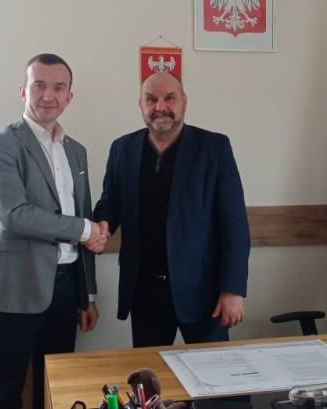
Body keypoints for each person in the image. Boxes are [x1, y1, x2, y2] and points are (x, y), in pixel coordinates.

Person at [0, 53, 109, 409]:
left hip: (66, 287)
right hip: (16, 285)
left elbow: (83, 214)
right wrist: (84, 229)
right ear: (24, 90)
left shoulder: (76, 151)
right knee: (4, 393)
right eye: (39, 85)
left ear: (69, 97)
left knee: (55, 389)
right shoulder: (0, 144)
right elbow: (15, 215)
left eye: (58, 88)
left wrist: (88, 295)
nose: (48, 96)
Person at [93, 71, 250, 347]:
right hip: (144, 290)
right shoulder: (122, 149)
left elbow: (234, 224)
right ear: (140, 104)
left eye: (169, 98)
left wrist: (233, 289)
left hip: (203, 291)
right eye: (151, 99)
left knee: (213, 371)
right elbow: (111, 202)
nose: (160, 107)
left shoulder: (214, 148)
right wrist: (103, 224)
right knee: (150, 373)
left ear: (184, 101)